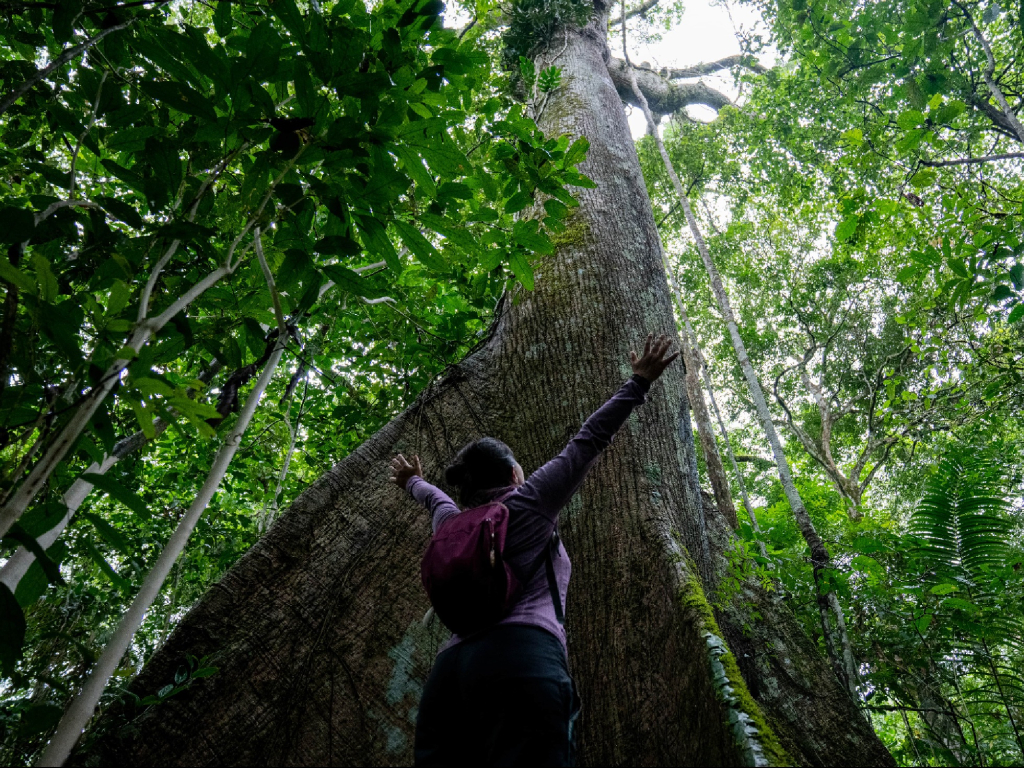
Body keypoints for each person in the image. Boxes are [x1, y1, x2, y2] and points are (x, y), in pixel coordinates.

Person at [389, 333, 679, 767]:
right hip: (520, 657)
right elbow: (588, 440)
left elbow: (433, 497)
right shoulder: (529, 501)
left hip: (449, 675)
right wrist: (637, 382)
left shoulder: (451, 522)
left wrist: (412, 479)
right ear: (512, 472)